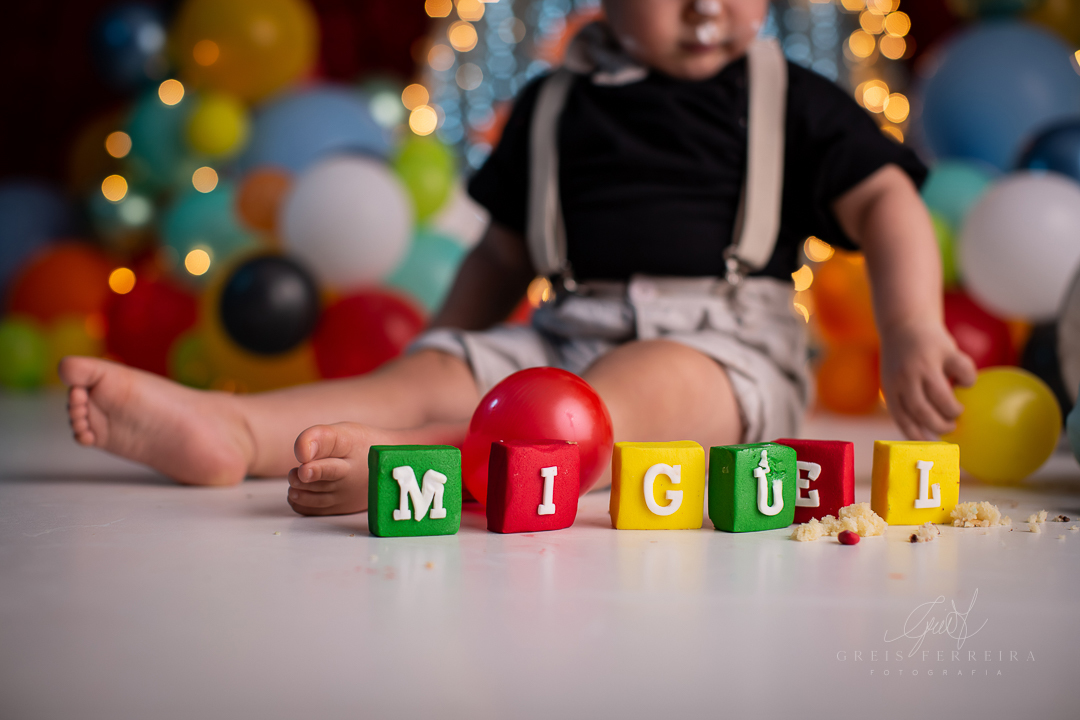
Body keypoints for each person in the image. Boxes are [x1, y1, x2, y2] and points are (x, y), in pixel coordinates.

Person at [60, 0, 976, 517]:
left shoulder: (790, 96)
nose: (708, 9)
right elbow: (501, 251)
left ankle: (448, 466)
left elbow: (885, 200)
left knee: (639, 391)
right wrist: (444, 353)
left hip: (719, 342)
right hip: (561, 326)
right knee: (426, 375)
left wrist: (908, 327)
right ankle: (240, 433)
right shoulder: (552, 104)